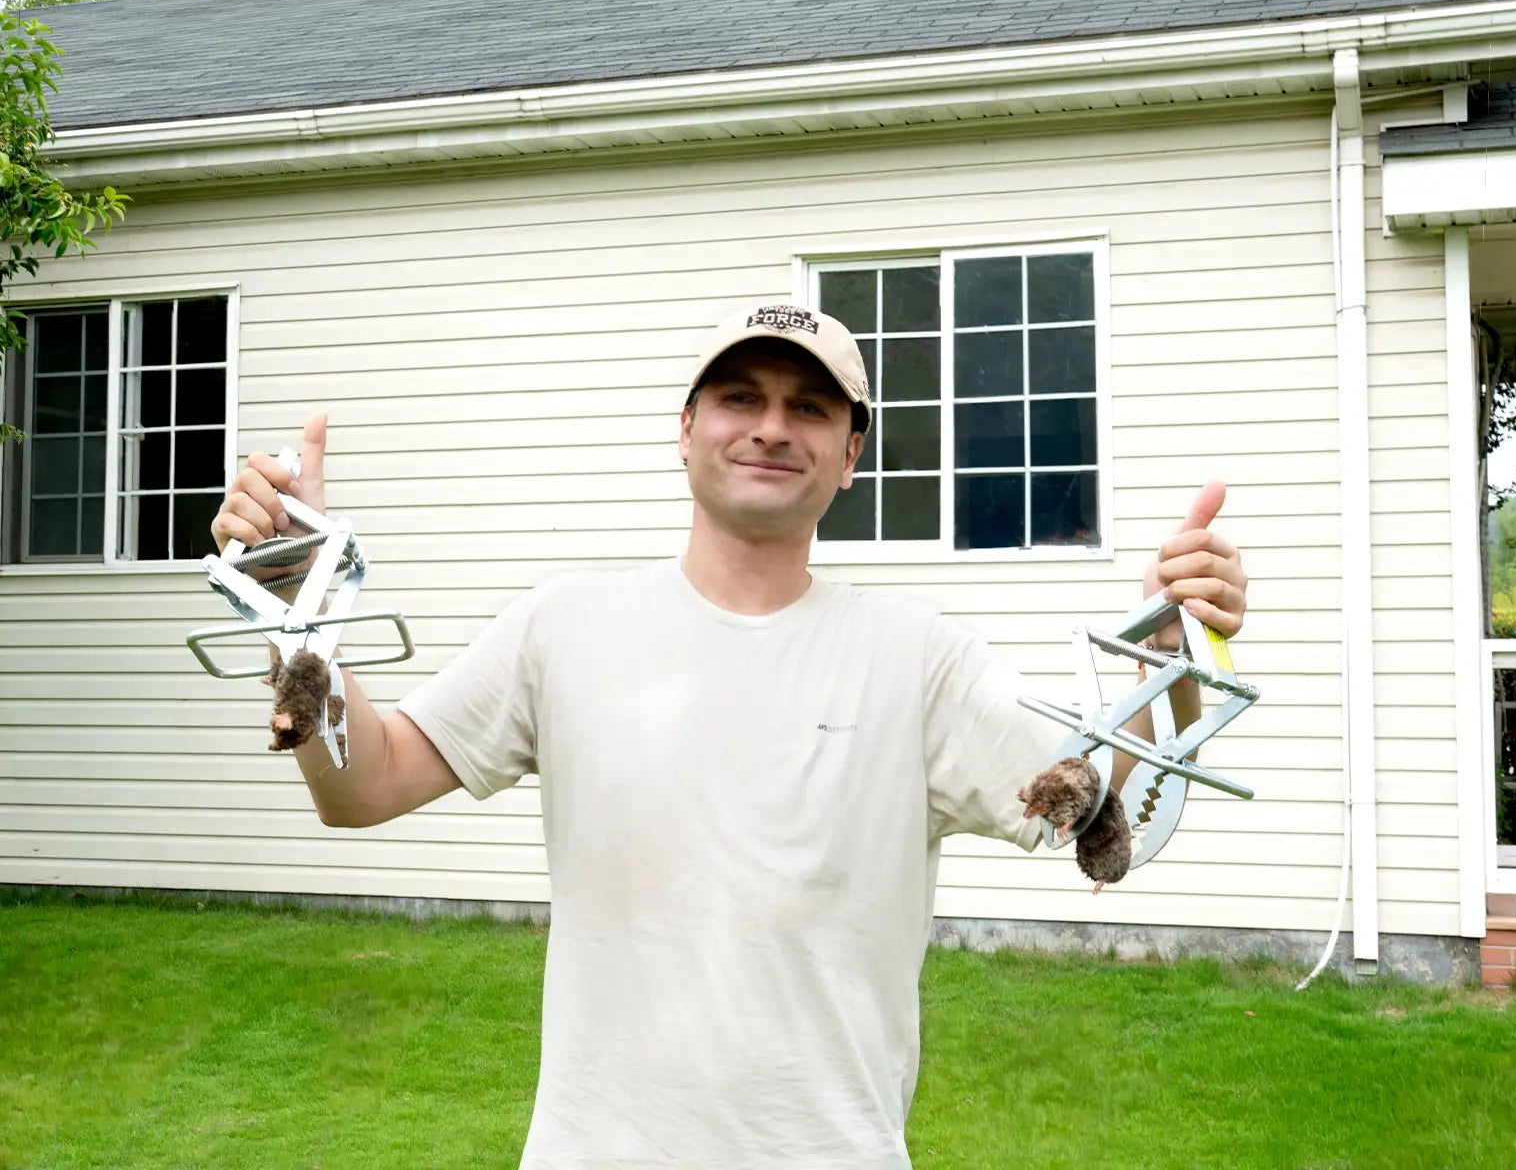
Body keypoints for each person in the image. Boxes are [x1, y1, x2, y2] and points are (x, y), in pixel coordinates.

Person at [210, 302, 1249, 1169]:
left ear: (849, 456)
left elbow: (1110, 811)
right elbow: (365, 787)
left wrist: (1175, 657)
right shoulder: (561, 627)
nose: (769, 426)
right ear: (685, 427)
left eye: (808, 407)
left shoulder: (917, 659)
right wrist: (297, 615)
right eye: (740, 397)